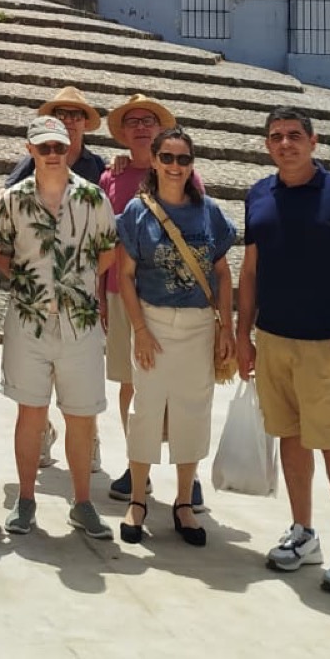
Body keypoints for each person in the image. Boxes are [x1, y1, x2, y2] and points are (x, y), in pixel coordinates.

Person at [234, 106, 330, 596]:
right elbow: (250, 270)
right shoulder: (259, 194)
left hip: (324, 346)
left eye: (295, 135)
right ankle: (303, 532)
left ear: (313, 141)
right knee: (291, 439)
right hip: (273, 340)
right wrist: (242, 334)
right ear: (266, 145)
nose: (286, 143)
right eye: (276, 136)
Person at [0, 115, 120, 540]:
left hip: (79, 322)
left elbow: (107, 252)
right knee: (30, 414)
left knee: (81, 416)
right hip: (28, 320)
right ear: (29, 150)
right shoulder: (13, 200)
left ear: (69, 148)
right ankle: (26, 499)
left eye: (59, 147)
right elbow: (1, 252)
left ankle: (82, 503)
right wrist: (32, 283)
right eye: (44, 147)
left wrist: (74, 286)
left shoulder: (93, 197)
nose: (52, 154)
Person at [115, 125, 234, 546]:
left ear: (191, 165)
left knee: (193, 410)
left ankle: (184, 501)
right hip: (154, 321)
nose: (175, 166)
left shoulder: (209, 212)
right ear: (154, 161)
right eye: (167, 157)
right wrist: (140, 330)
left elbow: (222, 272)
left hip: (199, 324)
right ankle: (138, 499)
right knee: (146, 409)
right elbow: (125, 276)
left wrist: (227, 328)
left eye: (183, 159)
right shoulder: (137, 212)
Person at [101, 94, 172, 504]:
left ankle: (184, 469)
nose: (141, 127)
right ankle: (137, 465)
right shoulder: (111, 177)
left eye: (148, 120)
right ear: (124, 133)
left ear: (160, 129)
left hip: (168, 296)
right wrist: (99, 296)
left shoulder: (178, 170)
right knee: (130, 383)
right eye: (133, 122)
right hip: (117, 292)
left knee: (173, 385)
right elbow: (100, 241)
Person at [2, 87, 108, 188]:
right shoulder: (35, 159)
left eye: (76, 115)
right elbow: (7, 191)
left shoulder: (99, 166)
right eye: (61, 114)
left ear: (86, 123)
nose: (68, 120)